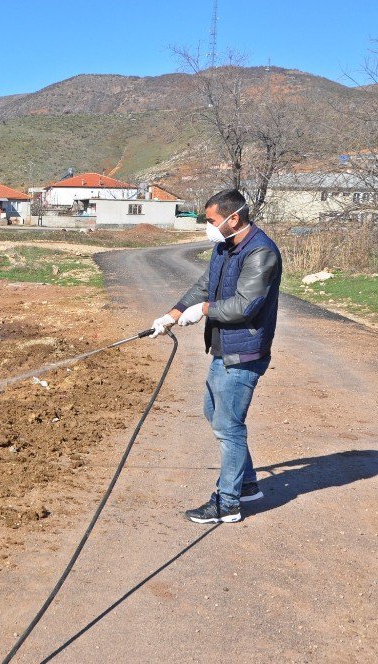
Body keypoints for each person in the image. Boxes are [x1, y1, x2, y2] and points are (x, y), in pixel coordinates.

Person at [151, 189, 282, 524]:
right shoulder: (224, 247)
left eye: (211, 220)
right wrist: (173, 314)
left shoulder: (261, 253)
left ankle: (228, 503)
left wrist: (204, 310)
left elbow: (245, 305)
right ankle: (248, 483)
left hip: (245, 351)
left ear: (232, 218)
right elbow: (204, 285)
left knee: (228, 426)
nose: (208, 226)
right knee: (215, 413)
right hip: (224, 347)